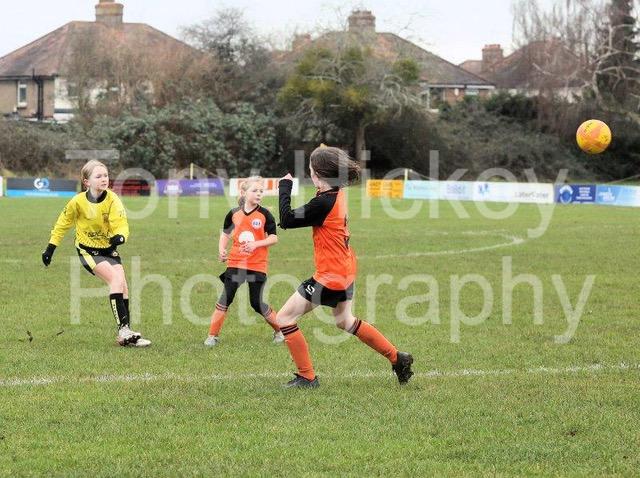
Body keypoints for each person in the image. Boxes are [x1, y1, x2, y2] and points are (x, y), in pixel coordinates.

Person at [277, 145, 414, 388]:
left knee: (285, 318)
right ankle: (397, 358)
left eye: (310, 169)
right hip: (345, 269)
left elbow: (286, 219)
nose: (309, 173)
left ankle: (307, 377)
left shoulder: (323, 203)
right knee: (345, 321)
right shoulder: (336, 193)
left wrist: (284, 187)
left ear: (319, 174)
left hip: (330, 276)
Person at [41, 160, 151, 347]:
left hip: (108, 249)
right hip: (88, 250)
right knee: (115, 281)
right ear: (87, 182)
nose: (104, 179)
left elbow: (120, 222)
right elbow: (62, 224)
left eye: (106, 175)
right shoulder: (77, 202)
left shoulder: (112, 199)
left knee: (123, 286)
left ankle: (126, 335)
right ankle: (124, 331)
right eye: (98, 176)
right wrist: (51, 248)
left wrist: (120, 236)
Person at [205, 176, 284, 346]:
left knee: (256, 303)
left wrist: (256, 244)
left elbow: (273, 238)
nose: (259, 194)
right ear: (243, 192)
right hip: (236, 263)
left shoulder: (265, 214)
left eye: (261, 191)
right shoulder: (234, 213)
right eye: (255, 191)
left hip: (257, 265)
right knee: (226, 298)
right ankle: (212, 336)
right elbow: (225, 233)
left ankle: (280, 331)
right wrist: (221, 249)